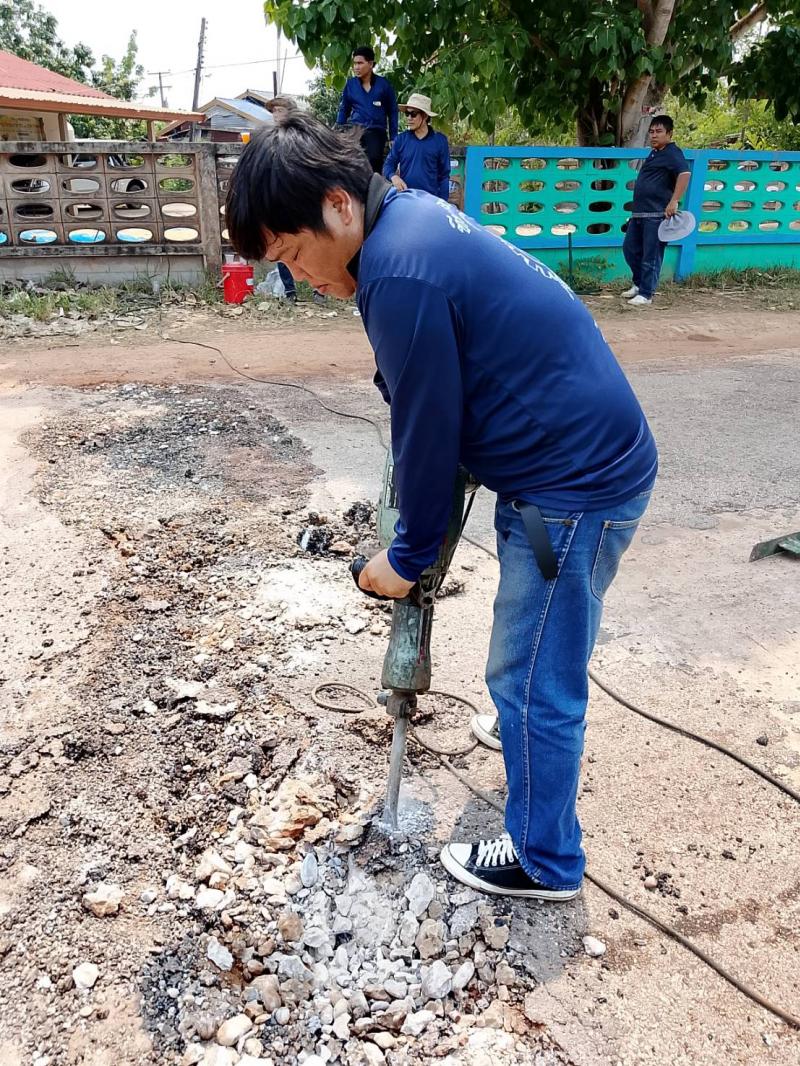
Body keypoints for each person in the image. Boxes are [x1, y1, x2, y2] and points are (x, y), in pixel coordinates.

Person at [226, 114, 657, 901]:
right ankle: (526, 732)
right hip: (555, 475)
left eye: (291, 255)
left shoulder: (399, 272)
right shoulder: (404, 225)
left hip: (571, 491)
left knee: (532, 672)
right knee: (534, 648)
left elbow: (426, 429)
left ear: (337, 206)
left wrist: (408, 556)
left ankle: (545, 860)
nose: (302, 277)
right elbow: (428, 398)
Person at [622, 115, 691, 308]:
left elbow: (684, 174)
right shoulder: (654, 153)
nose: (654, 135)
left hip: (656, 215)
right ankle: (638, 284)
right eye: (651, 131)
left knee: (651, 256)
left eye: (659, 131)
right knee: (630, 249)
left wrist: (674, 201)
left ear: (669, 133)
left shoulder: (672, 152)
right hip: (639, 213)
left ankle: (646, 294)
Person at [264, 97, 326, 305]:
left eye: (280, 110)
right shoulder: (268, 140)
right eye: (274, 111)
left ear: (291, 112)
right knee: (281, 245)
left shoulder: (304, 137)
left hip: (302, 197)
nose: (276, 114)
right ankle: (290, 291)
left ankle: (320, 289)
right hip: (279, 198)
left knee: (313, 243)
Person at [336, 45, 398, 172]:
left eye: (360, 63)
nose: (356, 67)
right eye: (354, 64)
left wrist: (393, 136)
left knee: (373, 160)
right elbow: (344, 109)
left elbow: (393, 111)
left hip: (376, 131)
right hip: (355, 130)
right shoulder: (351, 85)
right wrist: (337, 129)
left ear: (370, 64)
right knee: (350, 163)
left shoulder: (384, 85)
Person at [383, 93, 451, 200]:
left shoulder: (440, 141)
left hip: (430, 201)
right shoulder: (401, 140)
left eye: (413, 114)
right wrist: (394, 176)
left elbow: (444, 176)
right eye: (407, 114)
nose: (409, 118)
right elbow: (388, 165)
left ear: (425, 116)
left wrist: (443, 203)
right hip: (407, 198)